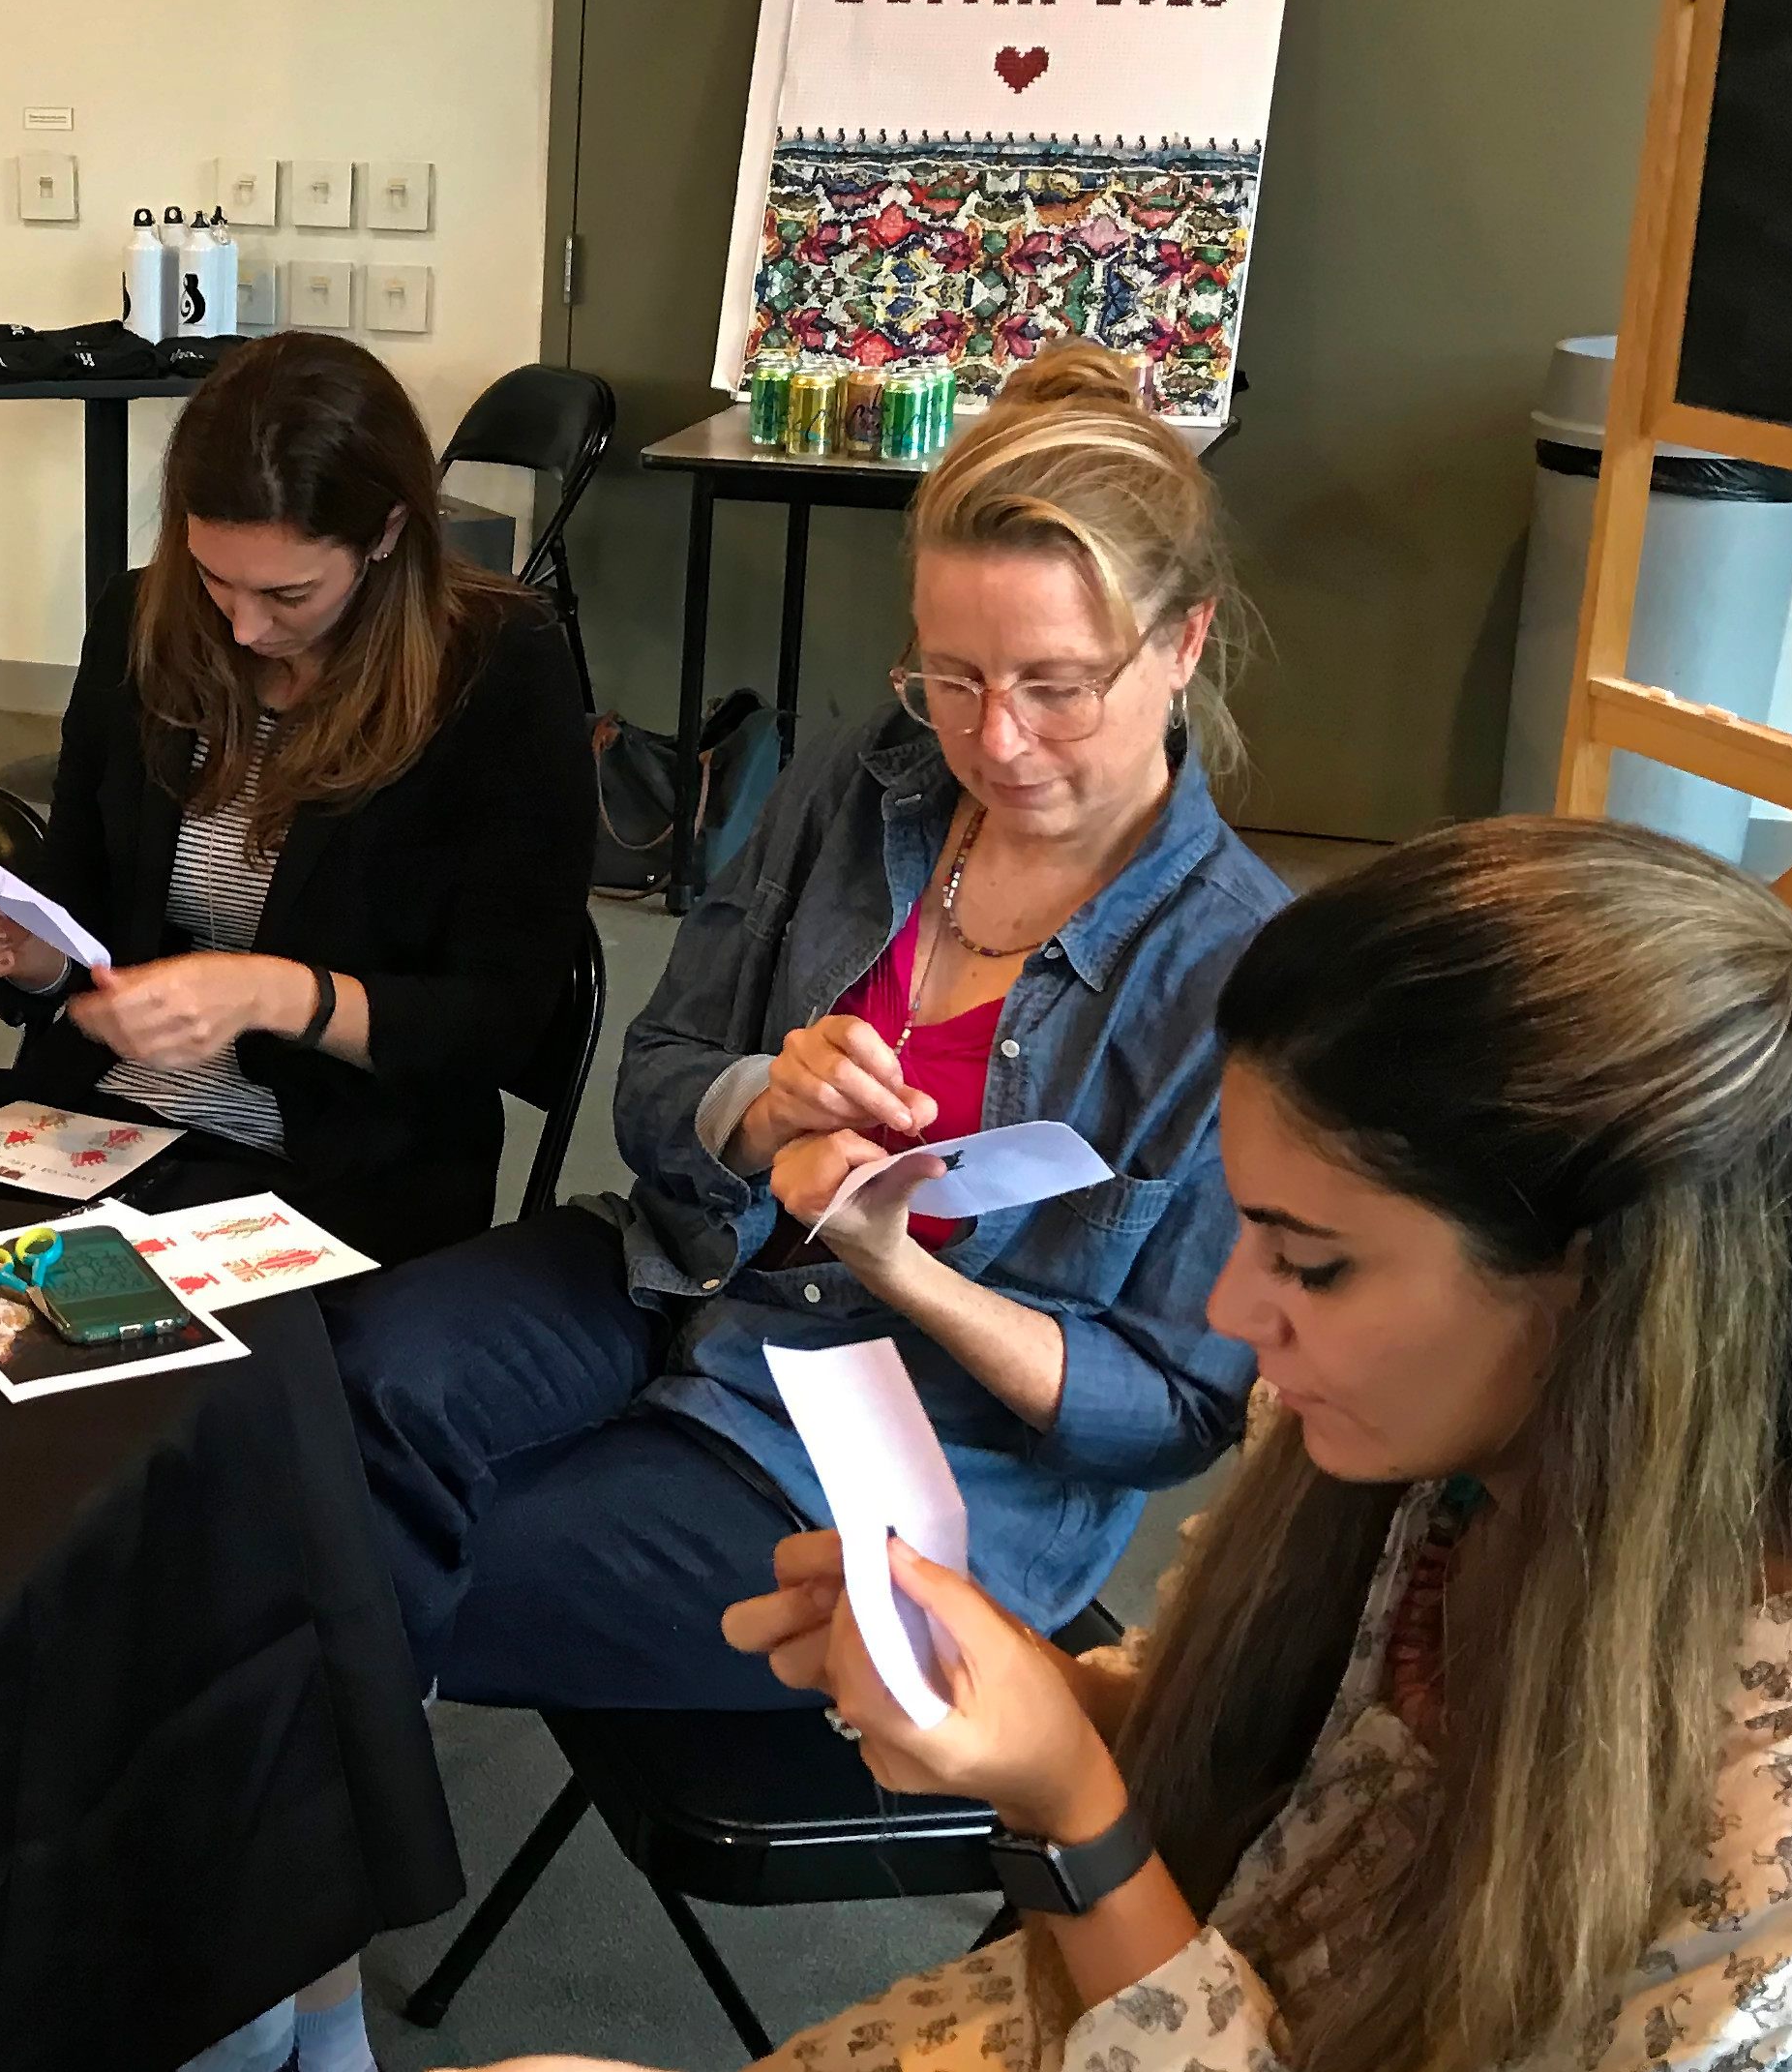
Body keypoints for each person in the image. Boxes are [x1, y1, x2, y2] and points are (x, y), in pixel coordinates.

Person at [0, 816, 1792, 2072]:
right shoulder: (1487, 1468)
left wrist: (1071, 1796)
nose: (1230, 1313)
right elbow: (1290, 1817)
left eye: (1307, 1258)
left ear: (1606, 1289)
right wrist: (1047, 1708)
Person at [336, 343, 1283, 1721]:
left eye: (1057, 687)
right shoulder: (870, 784)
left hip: (909, 1452)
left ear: (1185, 641)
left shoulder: (1243, 972)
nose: (996, 741)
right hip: (692, 1282)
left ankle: (273, 1886)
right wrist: (758, 1107)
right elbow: (655, 1089)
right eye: (950, 679)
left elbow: (1176, 1415)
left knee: (376, 1569)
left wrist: (905, 1271)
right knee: (340, 1400)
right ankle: (292, 1867)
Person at [0, 331, 590, 1263]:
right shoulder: (142, 621)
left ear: (388, 532)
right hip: (100, 1116)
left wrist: (275, 994)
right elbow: (83, 904)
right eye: (213, 577)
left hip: (339, 1157)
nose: (242, 625)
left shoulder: (497, 673)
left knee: (123, 1378)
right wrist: (33, 951)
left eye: (288, 593)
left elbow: (501, 1024)